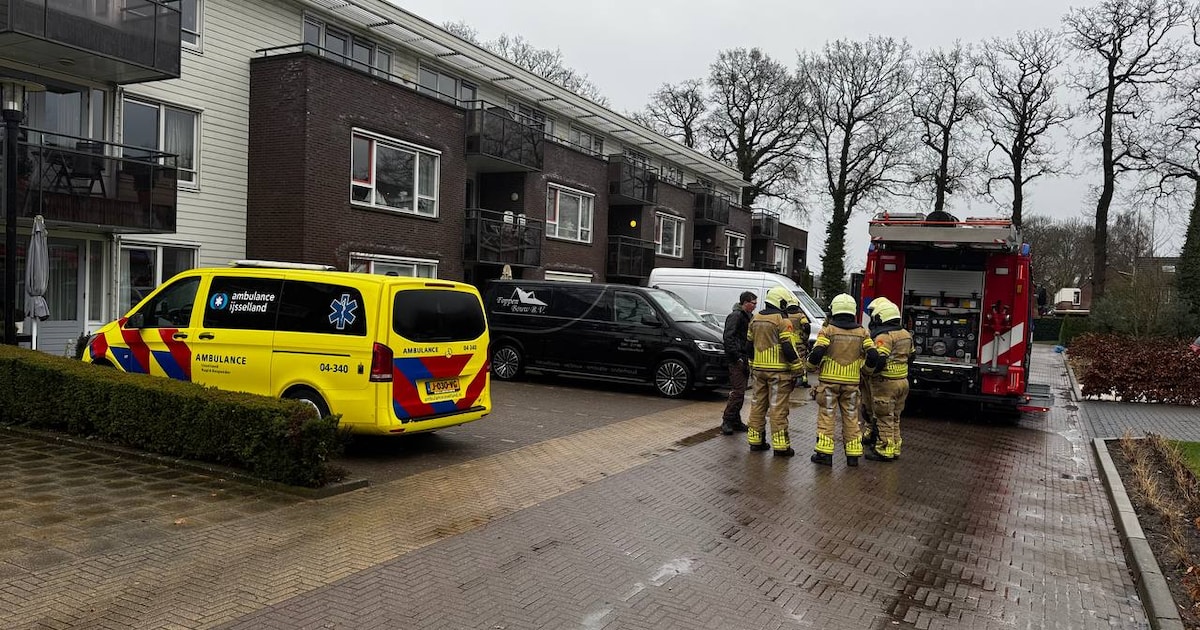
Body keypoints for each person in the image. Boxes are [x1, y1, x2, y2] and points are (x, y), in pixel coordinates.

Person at [806, 293, 880, 467]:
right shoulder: (863, 332)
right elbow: (874, 355)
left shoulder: (828, 330)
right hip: (852, 383)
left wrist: (809, 367)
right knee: (852, 418)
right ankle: (853, 456)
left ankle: (824, 455)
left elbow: (817, 352)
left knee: (827, 416)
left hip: (829, 383)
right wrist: (866, 370)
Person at [746, 286, 805, 456]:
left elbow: (748, 346)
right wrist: (798, 369)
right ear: (780, 302)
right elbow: (788, 346)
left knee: (757, 405)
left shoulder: (755, 319)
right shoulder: (782, 321)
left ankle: (755, 442)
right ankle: (781, 447)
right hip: (778, 372)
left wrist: (753, 363)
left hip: (759, 370)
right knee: (778, 409)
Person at [862, 297, 913, 462]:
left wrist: (868, 372)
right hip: (903, 382)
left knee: (884, 417)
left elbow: (879, 359)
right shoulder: (906, 334)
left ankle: (884, 449)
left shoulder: (884, 336)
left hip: (886, 383)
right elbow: (912, 356)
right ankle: (895, 447)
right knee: (895, 417)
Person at [720, 291, 757, 435]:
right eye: (753, 303)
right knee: (738, 392)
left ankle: (735, 420)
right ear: (745, 303)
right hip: (737, 359)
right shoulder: (736, 316)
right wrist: (737, 357)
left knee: (740, 392)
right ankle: (727, 420)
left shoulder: (748, 317)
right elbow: (728, 338)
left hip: (743, 358)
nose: (755, 306)